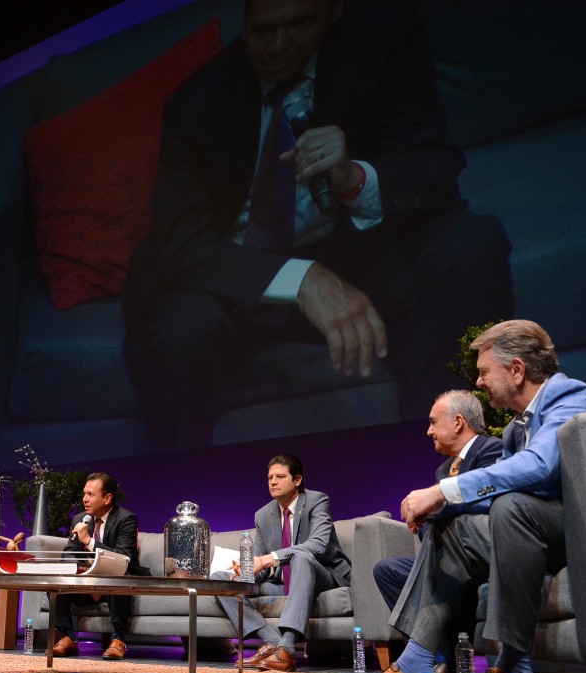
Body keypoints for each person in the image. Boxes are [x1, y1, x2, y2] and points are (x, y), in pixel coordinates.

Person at [123, 0, 513, 452]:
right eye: (263, 31)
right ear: (244, 25)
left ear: (334, 12)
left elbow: (433, 167)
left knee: (469, 248)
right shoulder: (197, 102)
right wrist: (301, 279)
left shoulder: (381, 43)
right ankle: (181, 497)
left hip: (356, 250)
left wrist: (355, 180)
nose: (278, 46)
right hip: (236, 274)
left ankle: (449, 465)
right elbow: (181, 243)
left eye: (299, 25)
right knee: (181, 331)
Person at [380, 320, 586, 673]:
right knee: (453, 522)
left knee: (511, 508)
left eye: (485, 372)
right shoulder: (515, 428)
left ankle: (513, 666)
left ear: (517, 370)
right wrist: (441, 507)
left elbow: (539, 468)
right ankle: (419, 661)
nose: (478, 382)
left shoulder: (572, 399)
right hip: (541, 533)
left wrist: (442, 491)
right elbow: (496, 491)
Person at [372, 390, 502, 670]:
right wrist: (421, 520)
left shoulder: (492, 449)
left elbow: (487, 504)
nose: (428, 431)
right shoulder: (444, 470)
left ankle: (423, 658)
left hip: (483, 554)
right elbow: (436, 528)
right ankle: (443, 656)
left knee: (437, 567)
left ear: (458, 422)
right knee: (387, 569)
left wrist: (433, 508)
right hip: (449, 557)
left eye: (433, 422)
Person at [210, 454, 351, 672]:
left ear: (297, 480)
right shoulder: (262, 515)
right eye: (269, 477)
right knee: (220, 579)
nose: (273, 482)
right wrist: (246, 571)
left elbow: (318, 545)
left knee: (302, 557)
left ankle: (287, 647)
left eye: (280, 476)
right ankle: (274, 643)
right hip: (280, 581)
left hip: (322, 576)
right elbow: (259, 567)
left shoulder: (317, 501)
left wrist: (267, 560)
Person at [51, 472, 149, 661]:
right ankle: (68, 637)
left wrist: (88, 541)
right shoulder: (80, 519)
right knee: (56, 579)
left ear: (107, 498)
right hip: (87, 583)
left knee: (118, 576)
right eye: (84, 494)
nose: (85, 499)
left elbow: (123, 557)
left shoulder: (125, 519)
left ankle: (118, 639)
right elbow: (69, 553)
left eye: (91, 494)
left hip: (114, 581)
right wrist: (81, 570)